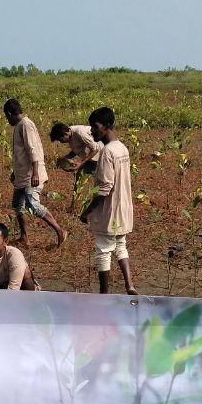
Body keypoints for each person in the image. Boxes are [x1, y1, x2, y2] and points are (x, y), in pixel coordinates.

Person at [80, 106, 136, 295]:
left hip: (109, 210)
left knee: (103, 250)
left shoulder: (106, 152)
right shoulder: (122, 148)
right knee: (120, 245)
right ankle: (129, 285)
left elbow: (105, 188)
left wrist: (87, 211)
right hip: (123, 208)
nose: (92, 131)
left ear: (107, 126)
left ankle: (103, 294)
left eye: (95, 126)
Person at [3, 99, 66, 248]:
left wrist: (35, 173)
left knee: (33, 204)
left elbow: (32, 149)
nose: (7, 120)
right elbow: (22, 153)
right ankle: (24, 237)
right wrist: (15, 172)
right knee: (17, 204)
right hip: (22, 174)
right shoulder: (20, 125)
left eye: (7, 116)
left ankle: (60, 230)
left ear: (10, 113)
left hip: (31, 174)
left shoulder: (25, 125)